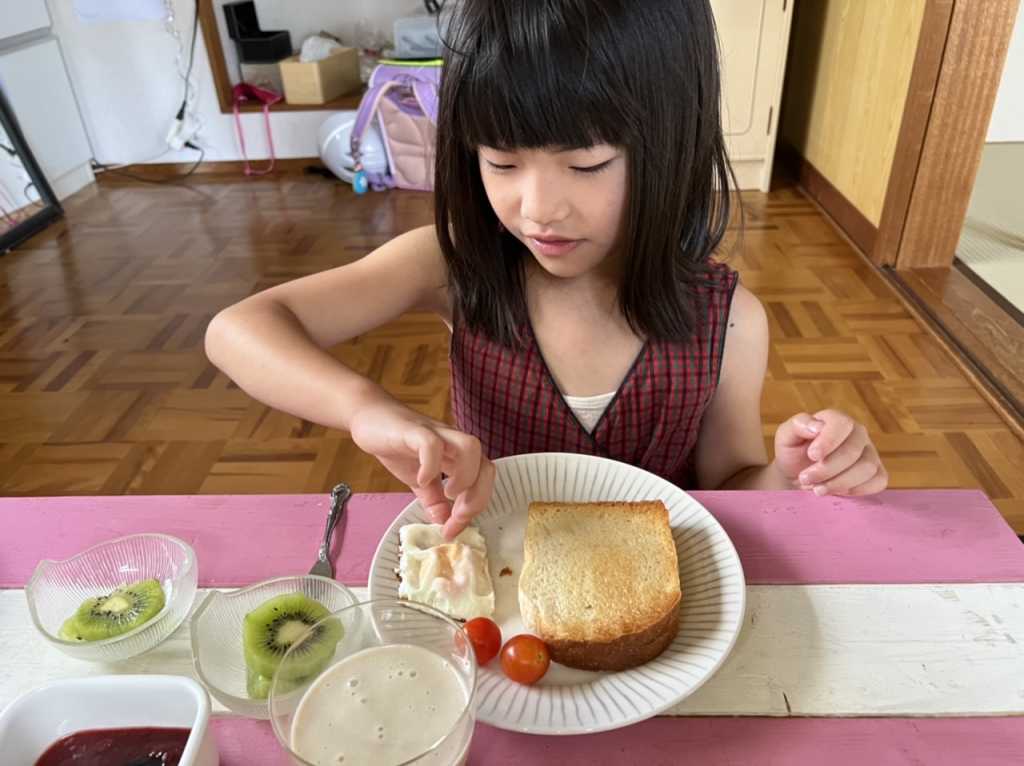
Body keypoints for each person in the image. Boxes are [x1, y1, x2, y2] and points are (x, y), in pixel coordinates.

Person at [205, 0, 887, 540]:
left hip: (654, 597)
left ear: (673, 142)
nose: (536, 210)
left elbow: (728, 485)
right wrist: (365, 408)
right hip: (505, 588)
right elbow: (239, 328)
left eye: (586, 164)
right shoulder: (454, 266)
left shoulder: (729, 320)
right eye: (500, 161)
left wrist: (791, 474)